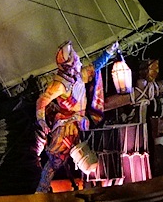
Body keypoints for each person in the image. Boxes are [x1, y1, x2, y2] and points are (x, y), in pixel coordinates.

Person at [35, 40, 119, 193]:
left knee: (85, 155)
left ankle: (88, 186)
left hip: (80, 123)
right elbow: (42, 100)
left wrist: (108, 52)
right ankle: (41, 189)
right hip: (66, 127)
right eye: (74, 56)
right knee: (56, 160)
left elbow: (94, 67)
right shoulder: (60, 84)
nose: (77, 57)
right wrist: (41, 120)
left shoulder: (79, 75)